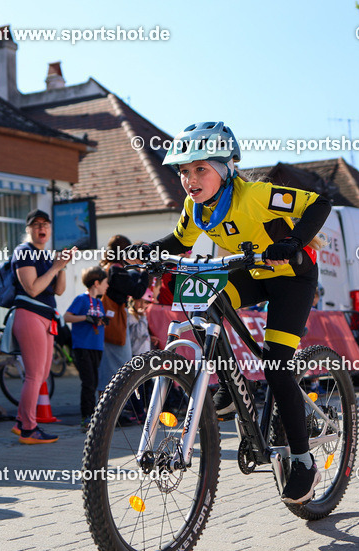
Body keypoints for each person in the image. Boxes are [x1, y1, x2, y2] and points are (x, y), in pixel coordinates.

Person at [136, 121, 332, 504]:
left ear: (225, 168)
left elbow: (319, 203)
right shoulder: (196, 206)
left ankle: (303, 460)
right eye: (184, 171)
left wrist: (293, 241)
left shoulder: (256, 195)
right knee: (204, 298)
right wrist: (149, 250)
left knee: (276, 366)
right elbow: (179, 240)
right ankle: (228, 387)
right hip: (254, 272)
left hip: (293, 275)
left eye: (200, 169)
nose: (190, 179)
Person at [11, 209, 75, 445]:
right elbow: (33, 288)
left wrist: (63, 265)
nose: (42, 228)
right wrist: (55, 267)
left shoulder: (48, 255)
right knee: (34, 375)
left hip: (47, 318)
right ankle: (29, 428)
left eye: (45, 224)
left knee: (42, 374)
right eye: (36, 224)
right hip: (29, 314)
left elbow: (58, 291)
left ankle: (21, 422)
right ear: (28, 229)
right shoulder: (24, 252)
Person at [97, 235, 148, 401]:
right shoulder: (116, 270)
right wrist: (145, 269)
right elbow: (138, 291)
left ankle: (108, 405)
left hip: (109, 321)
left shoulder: (108, 267)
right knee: (121, 364)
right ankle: (111, 406)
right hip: (115, 322)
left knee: (111, 364)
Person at [63, 266, 108, 431]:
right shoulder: (82, 299)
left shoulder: (98, 302)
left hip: (97, 346)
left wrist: (102, 321)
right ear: (96, 283)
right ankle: (86, 417)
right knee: (88, 382)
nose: (107, 286)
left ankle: (93, 415)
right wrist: (85, 318)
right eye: (105, 282)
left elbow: (97, 320)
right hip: (82, 345)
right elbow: (67, 317)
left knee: (94, 381)